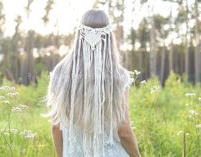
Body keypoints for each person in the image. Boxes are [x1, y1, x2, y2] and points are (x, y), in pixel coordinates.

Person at [46, 9, 141, 157]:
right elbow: (123, 132)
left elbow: (56, 127)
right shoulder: (118, 77)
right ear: (109, 38)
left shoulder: (60, 74)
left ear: (79, 36)